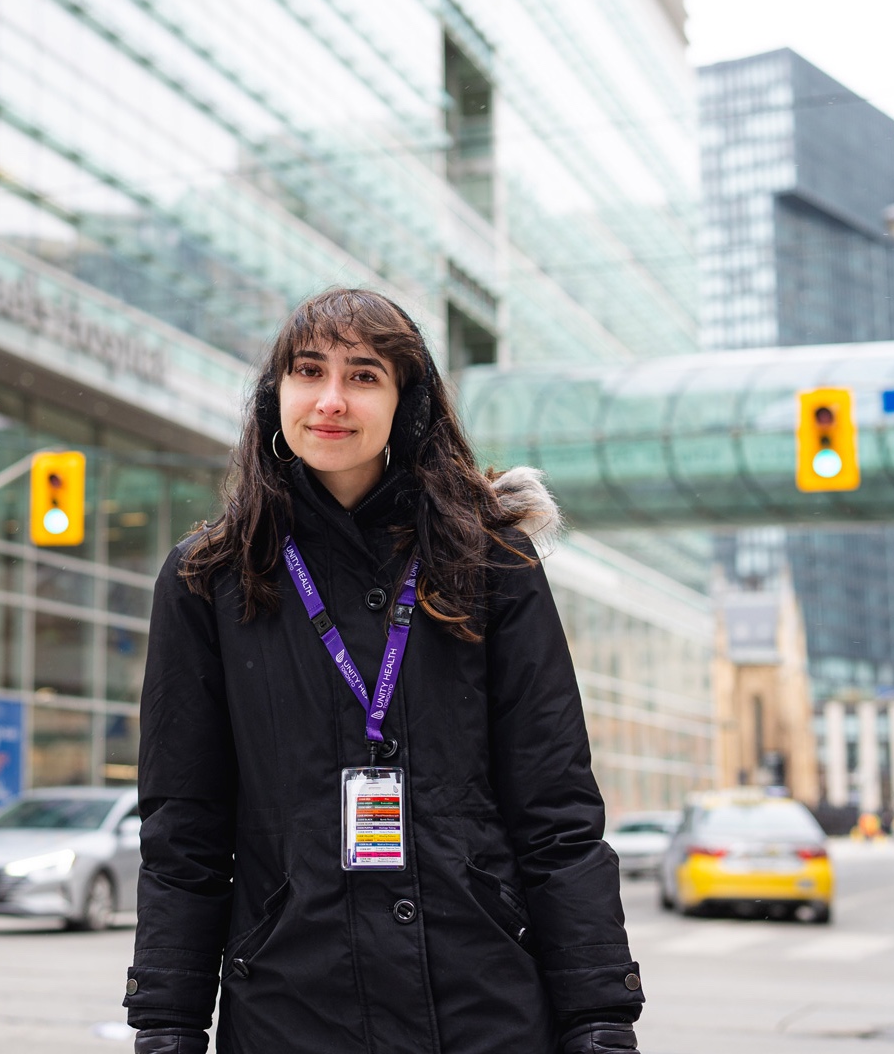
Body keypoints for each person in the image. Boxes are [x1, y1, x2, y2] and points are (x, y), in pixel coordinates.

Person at [125, 288, 644, 1054]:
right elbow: (184, 831)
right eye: (309, 372)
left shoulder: (492, 561)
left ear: (406, 402)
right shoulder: (211, 578)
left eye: (363, 376)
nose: (330, 400)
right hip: (289, 1007)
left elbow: (556, 809)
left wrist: (599, 1013)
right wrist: (167, 1023)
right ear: (278, 397)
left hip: (484, 1005)